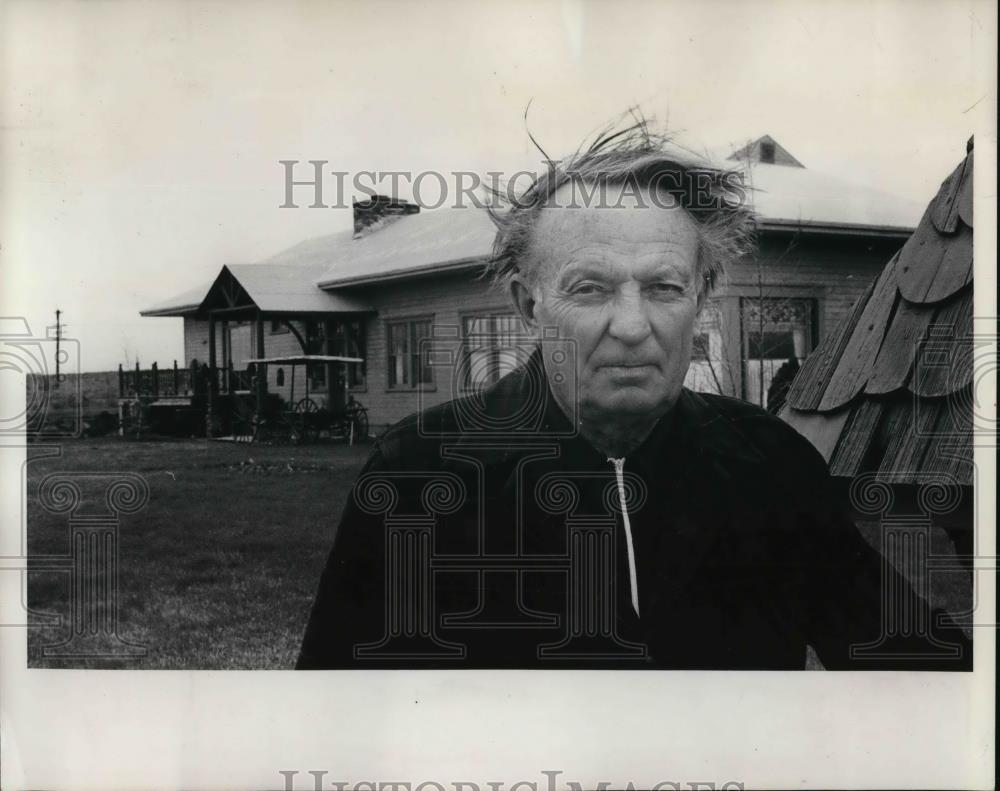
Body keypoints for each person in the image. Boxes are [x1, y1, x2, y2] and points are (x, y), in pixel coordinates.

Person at [297, 119, 970, 670]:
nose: (631, 326)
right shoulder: (418, 476)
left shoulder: (771, 465)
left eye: (663, 288)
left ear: (701, 299)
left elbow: (916, 668)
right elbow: (339, 725)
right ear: (529, 304)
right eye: (590, 289)